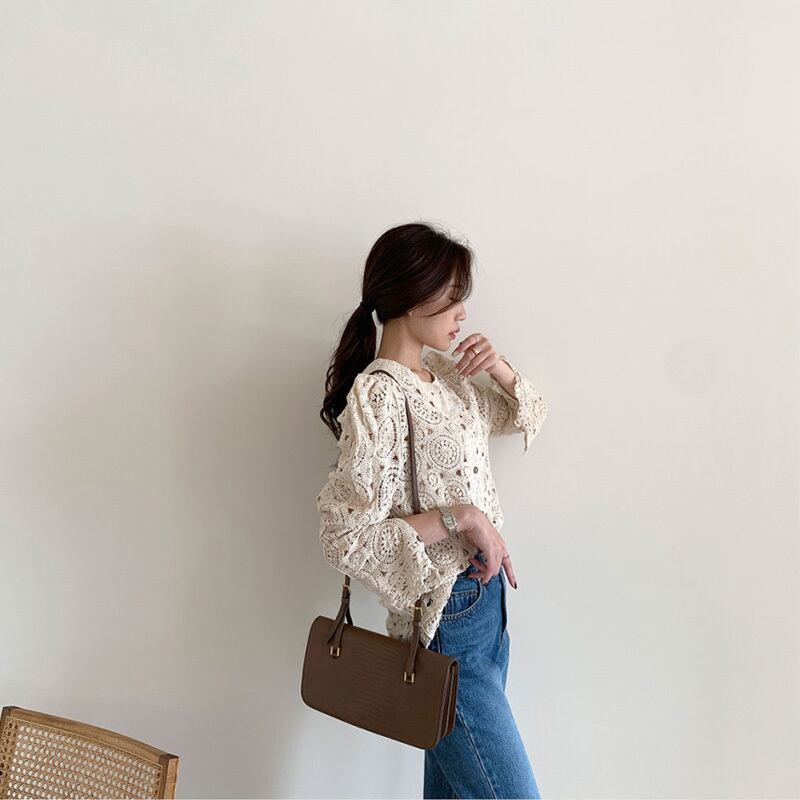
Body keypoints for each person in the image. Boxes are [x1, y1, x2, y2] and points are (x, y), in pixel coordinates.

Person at [316, 222, 549, 799]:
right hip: (445, 617)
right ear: (412, 296)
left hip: (487, 611)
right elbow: (345, 537)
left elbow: (526, 414)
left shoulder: (447, 378)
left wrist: (498, 367)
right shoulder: (379, 395)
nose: (462, 313)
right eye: (451, 297)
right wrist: (461, 516)